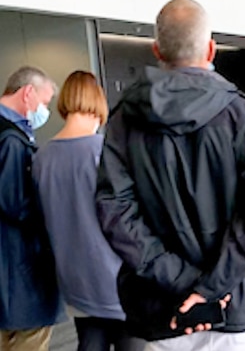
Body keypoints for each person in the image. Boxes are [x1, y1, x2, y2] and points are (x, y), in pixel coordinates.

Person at [95, 0, 245, 351]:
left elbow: (115, 213)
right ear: (211, 49)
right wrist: (210, 287)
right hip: (238, 305)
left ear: (156, 50)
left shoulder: (123, 119)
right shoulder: (241, 112)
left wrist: (183, 281)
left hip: (159, 310)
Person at [33, 71, 145, 351]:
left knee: (89, 342)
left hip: (75, 281)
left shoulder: (41, 158)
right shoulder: (105, 153)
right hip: (119, 282)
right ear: (98, 103)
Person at [0, 66, 65, 351]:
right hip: (18, 271)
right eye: (45, 101)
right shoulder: (11, 142)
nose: (45, 110)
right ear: (28, 93)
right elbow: (15, 203)